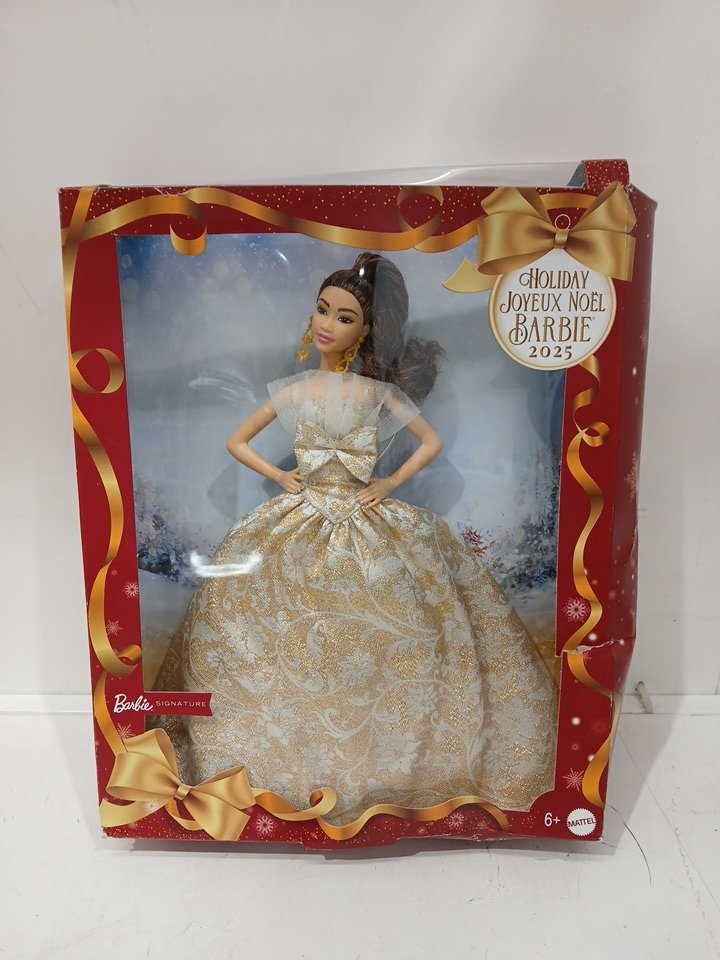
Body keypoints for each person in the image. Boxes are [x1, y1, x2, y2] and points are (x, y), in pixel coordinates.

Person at [150, 252, 557, 827]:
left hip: (365, 515)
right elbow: (237, 442)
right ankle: (269, 763)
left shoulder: (376, 394)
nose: (327, 324)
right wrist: (281, 478)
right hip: (298, 515)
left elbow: (431, 443)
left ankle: (389, 763)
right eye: (322, 310)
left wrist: (388, 483)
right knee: (264, 625)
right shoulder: (294, 391)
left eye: (344, 317)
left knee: (393, 628)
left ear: (365, 331)